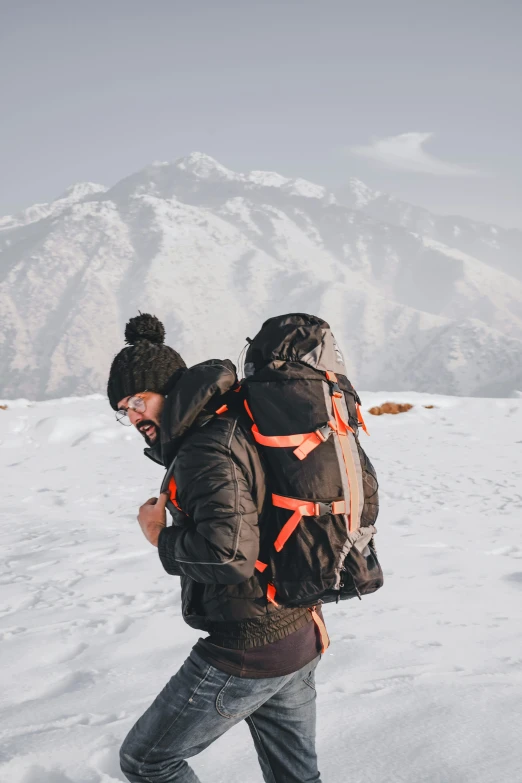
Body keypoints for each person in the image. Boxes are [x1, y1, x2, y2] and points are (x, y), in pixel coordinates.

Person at [107, 313, 325, 783]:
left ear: (169, 389)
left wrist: (157, 535)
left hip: (250, 645)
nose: (133, 417)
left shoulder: (206, 447)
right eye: (123, 408)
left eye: (139, 401)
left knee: (147, 761)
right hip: (298, 629)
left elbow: (228, 555)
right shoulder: (231, 422)